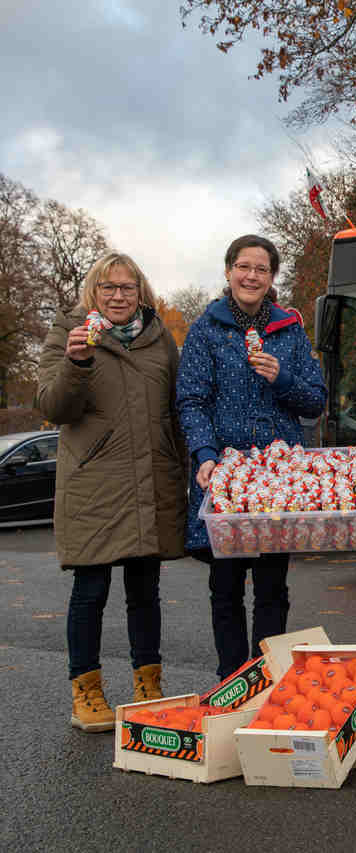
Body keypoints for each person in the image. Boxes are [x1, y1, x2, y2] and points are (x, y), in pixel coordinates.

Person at [35, 252, 187, 731]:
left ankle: (149, 685)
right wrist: (76, 363)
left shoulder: (160, 338)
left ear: (140, 292)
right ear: (93, 293)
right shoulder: (69, 333)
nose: (119, 296)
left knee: (145, 592)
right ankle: (87, 690)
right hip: (94, 485)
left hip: (151, 481)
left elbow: (177, 407)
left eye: (127, 287)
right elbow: (52, 407)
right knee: (91, 592)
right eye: (109, 288)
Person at [177, 235, 326, 680]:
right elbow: (191, 401)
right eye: (244, 266)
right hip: (224, 478)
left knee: (272, 587)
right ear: (228, 272)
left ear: (271, 277)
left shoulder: (290, 330)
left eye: (261, 269)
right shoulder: (206, 329)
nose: (252, 276)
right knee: (225, 587)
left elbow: (315, 400)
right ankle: (230, 680)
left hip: (279, 479)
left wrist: (282, 379)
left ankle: (267, 677)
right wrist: (204, 454)